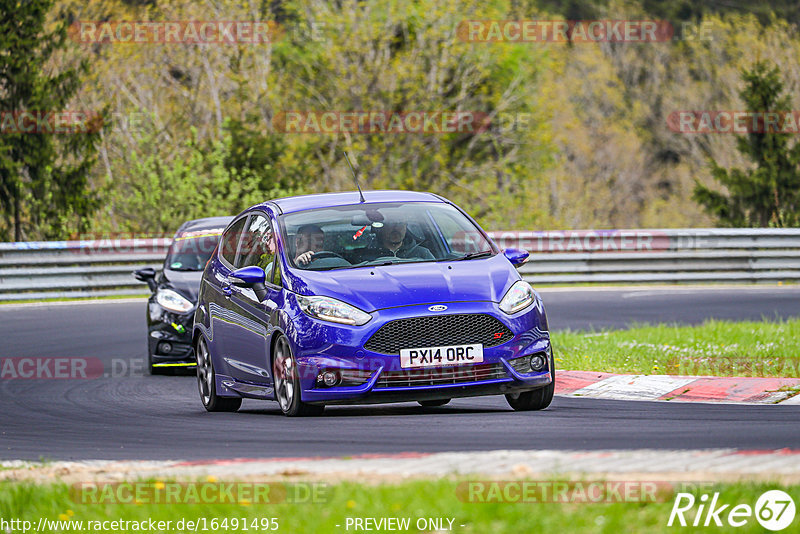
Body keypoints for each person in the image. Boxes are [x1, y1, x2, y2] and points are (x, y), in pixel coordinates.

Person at [368, 217, 434, 260]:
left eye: (400, 224)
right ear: (381, 228)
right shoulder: (366, 255)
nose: (396, 228)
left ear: (406, 228)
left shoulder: (422, 253)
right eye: (390, 223)